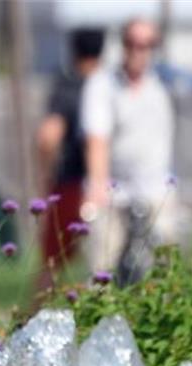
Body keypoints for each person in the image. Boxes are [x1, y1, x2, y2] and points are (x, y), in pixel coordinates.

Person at [81, 17, 176, 285]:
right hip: (114, 190)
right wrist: (97, 186)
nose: (138, 50)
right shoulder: (103, 84)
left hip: (156, 189)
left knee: (162, 271)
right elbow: (97, 139)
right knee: (101, 269)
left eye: (146, 44)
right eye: (132, 43)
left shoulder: (163, 84)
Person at [33, 27, 104, 297]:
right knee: (103, 264)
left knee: (52, 265)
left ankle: (30, 323)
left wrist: (46, 175)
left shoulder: (67, 87)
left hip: (70, 184)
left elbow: (48, 136)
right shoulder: (108, 86)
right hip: (107, 187)